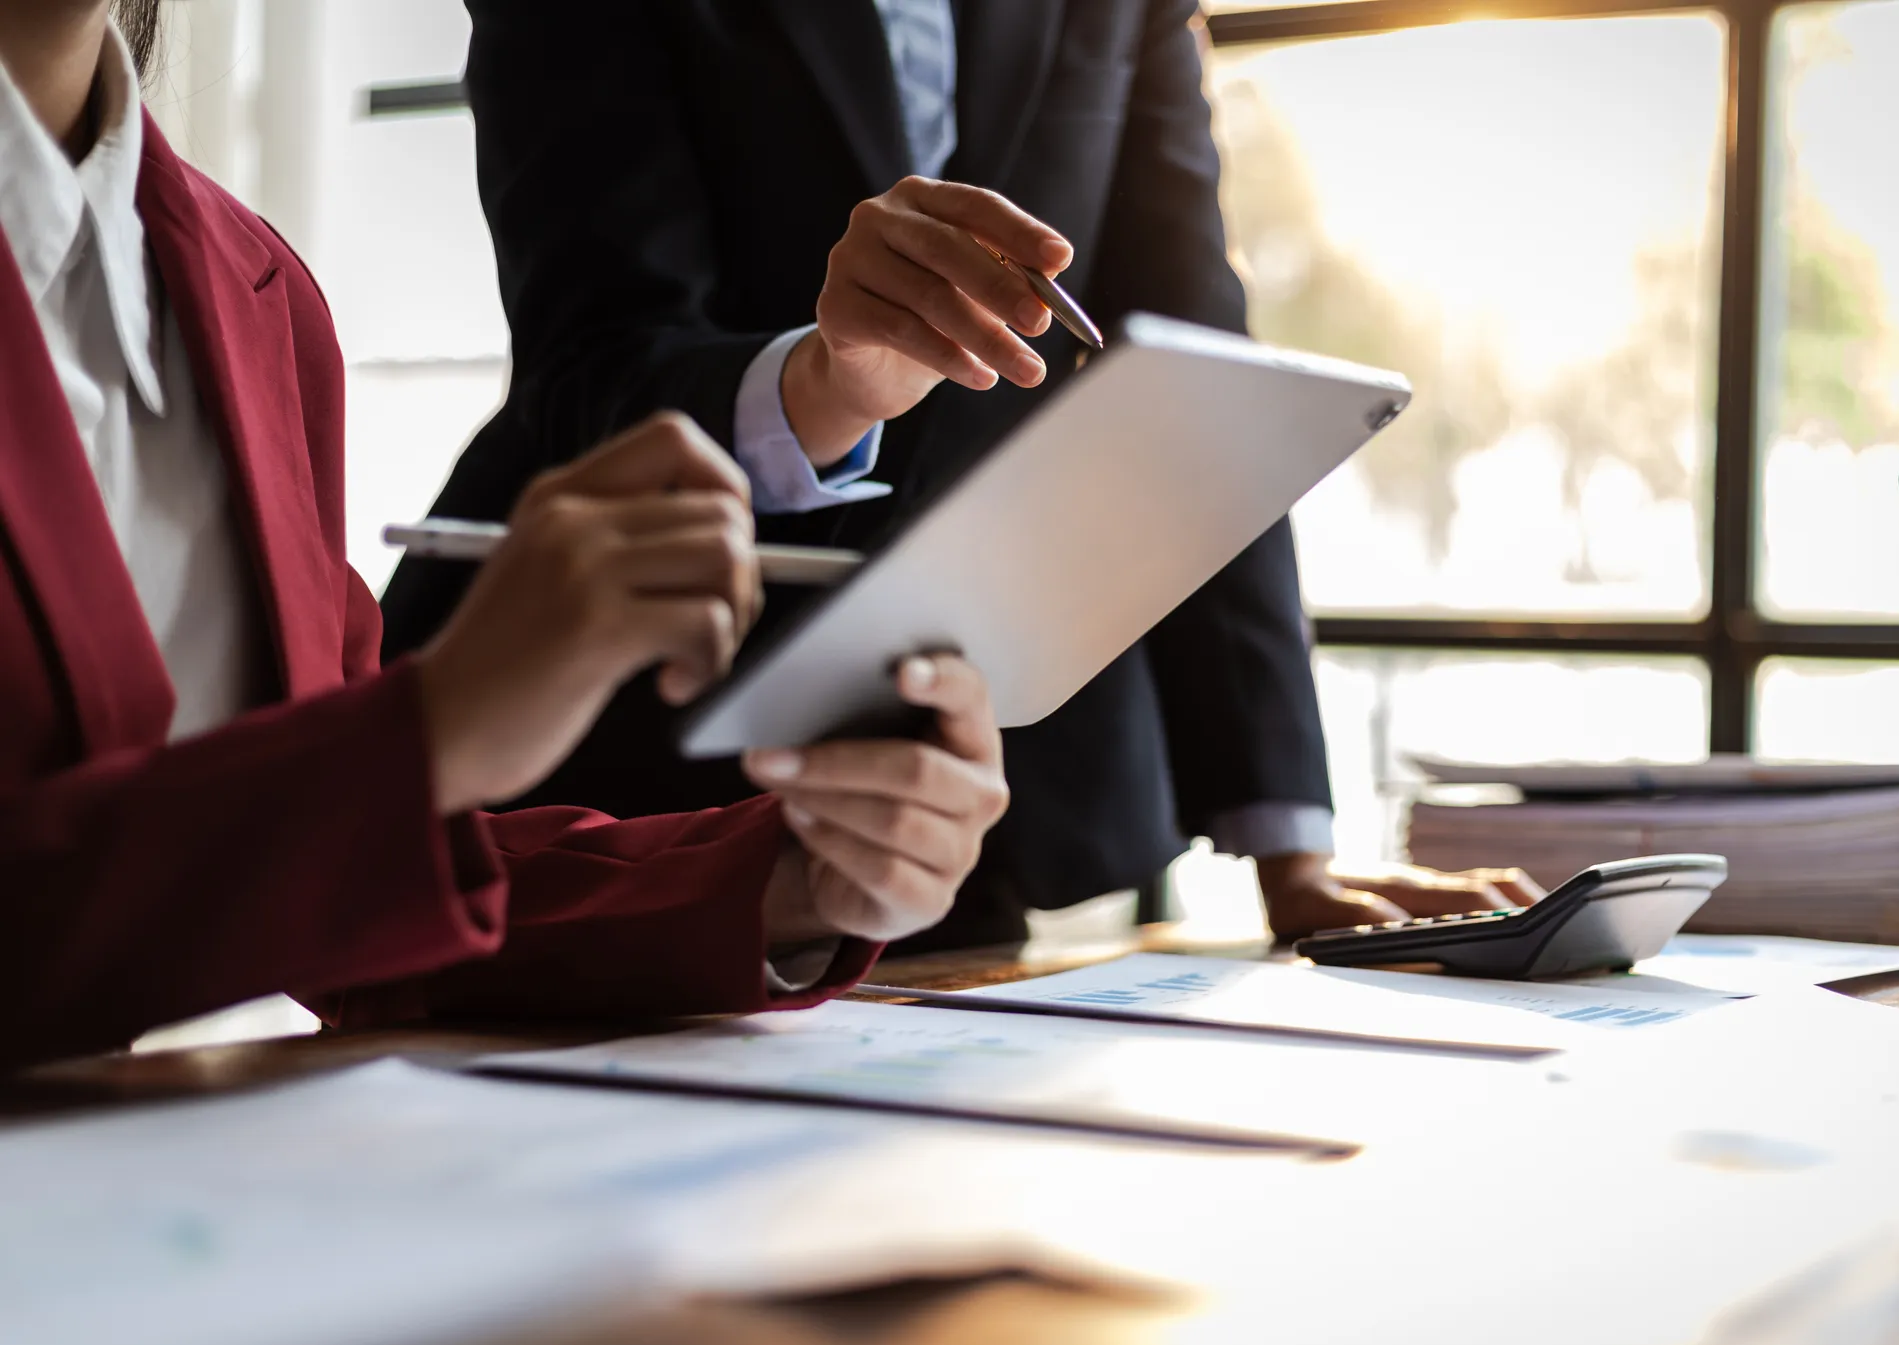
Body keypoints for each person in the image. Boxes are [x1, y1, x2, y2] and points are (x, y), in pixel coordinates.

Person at [381, 0, 1541, 946]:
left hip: (995, 793)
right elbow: (592, 358)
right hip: (629, 770)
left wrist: (1295, 853)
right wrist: (829, 384)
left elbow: (1196, 383)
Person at [0, 0, 1008, 1070]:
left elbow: (349, 891)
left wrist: (793, 881)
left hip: (233, 1188)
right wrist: (426, 737)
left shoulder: (256, 292)